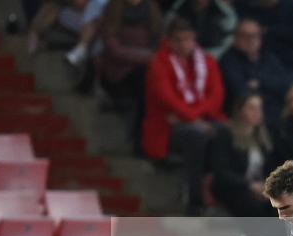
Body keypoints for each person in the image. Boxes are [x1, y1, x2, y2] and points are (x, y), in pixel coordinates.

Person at [142, 18, 225, 215]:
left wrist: (196, 117)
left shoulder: (207, 61)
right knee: (196, 135)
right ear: (169, 41)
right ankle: (195, 201)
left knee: (225, 132)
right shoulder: (159, 63)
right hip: (167, 127)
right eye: (178, 40)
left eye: (188, 39)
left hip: (199, 119)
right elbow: (167, 99)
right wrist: (194, 119)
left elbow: (217, 94)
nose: (183, 44)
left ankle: (218, 191)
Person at [97, 0, 162, 142]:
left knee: (153, 81)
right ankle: (140, 136)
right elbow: (113, 50)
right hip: (118, 72)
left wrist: (152, 58)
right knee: (145, 80)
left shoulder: (152, 10)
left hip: (146, 68)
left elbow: (158, 42)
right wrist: (148, 57)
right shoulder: (113, 9)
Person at [218, 18, 293, 129]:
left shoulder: (268, 57)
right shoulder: (228, 61)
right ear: (235, 38)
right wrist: (272, 86)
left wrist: (260, 82)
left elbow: (286, 84)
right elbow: (241, 91)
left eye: (255, 35)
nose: (251, 40)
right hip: (249, 117)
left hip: (277, 111)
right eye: (245, 36)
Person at [210, 93, 274, 218]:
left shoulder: (263, 137)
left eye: (259, 108)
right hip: (233, 187)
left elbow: (270, 168)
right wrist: (249, 185)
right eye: (251, 108)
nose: (257, 112)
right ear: (240, 111)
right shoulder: (226, 134)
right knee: (253, 205)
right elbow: (221, 172)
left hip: (258, 186)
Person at [164, 0, 237, 58]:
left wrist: (206, 57)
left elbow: (227, 40)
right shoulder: (178, 8)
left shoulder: (224, 12)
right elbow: (166, 34)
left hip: (214, 57)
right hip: (179, 55)